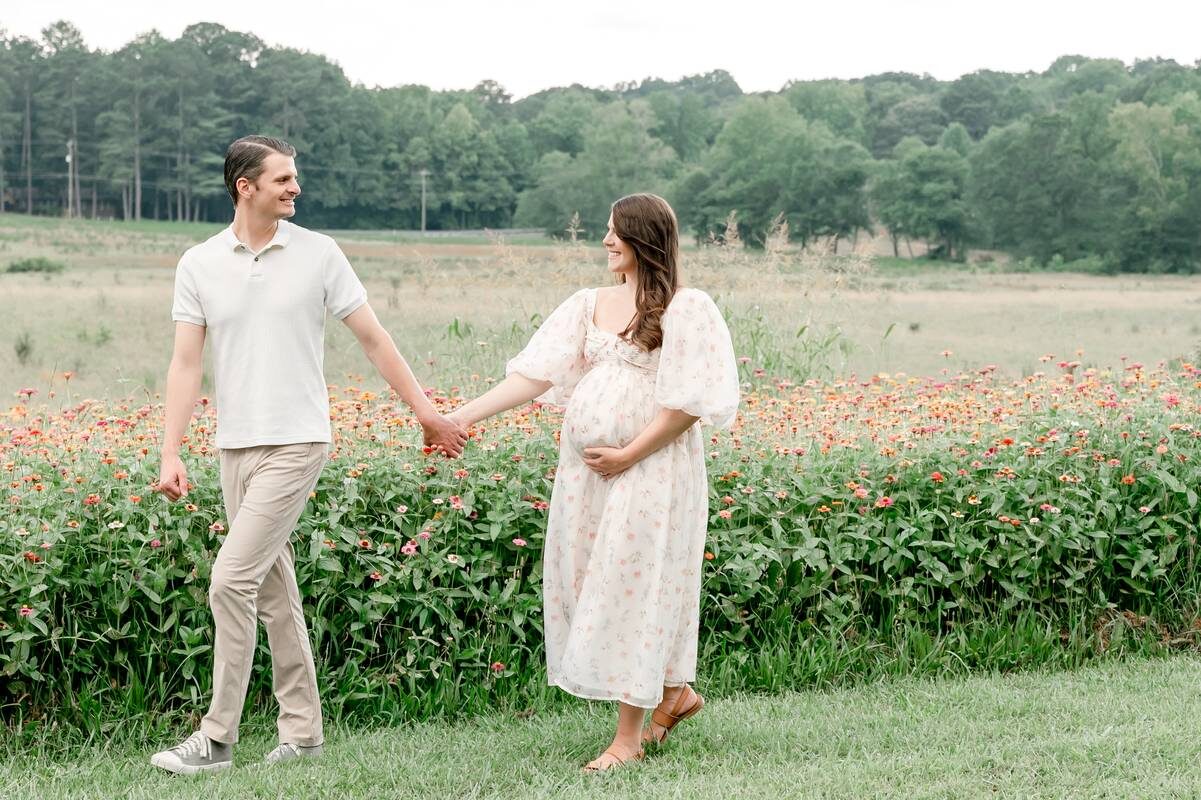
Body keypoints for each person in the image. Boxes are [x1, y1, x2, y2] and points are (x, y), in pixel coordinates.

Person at [150, 135, 466, 774]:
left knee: (229, 580)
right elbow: (186, 364)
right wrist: (171, 451)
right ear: (246, 186)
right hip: (235, 446)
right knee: (271, 588)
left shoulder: (320, 255)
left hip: (298, 439)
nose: (295, 188)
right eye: (283, 179)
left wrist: (427, 413)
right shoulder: (200, 263)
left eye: (294, 179)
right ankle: (304, 734)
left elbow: (374, 340)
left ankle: (215, 740)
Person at [447, 193, 739, 772]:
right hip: (588, 475)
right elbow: (534, 375)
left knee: (631, 585)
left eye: (616, 232)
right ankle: (674, 694)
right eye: (606, 230)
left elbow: (687, 403)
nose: (606, 241)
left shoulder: (688, 308)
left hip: (653, 468)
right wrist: (459, 418)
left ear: (645, 239)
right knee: (587, 581)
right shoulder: (588, 304)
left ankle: (628, 739)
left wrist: (630, 452)